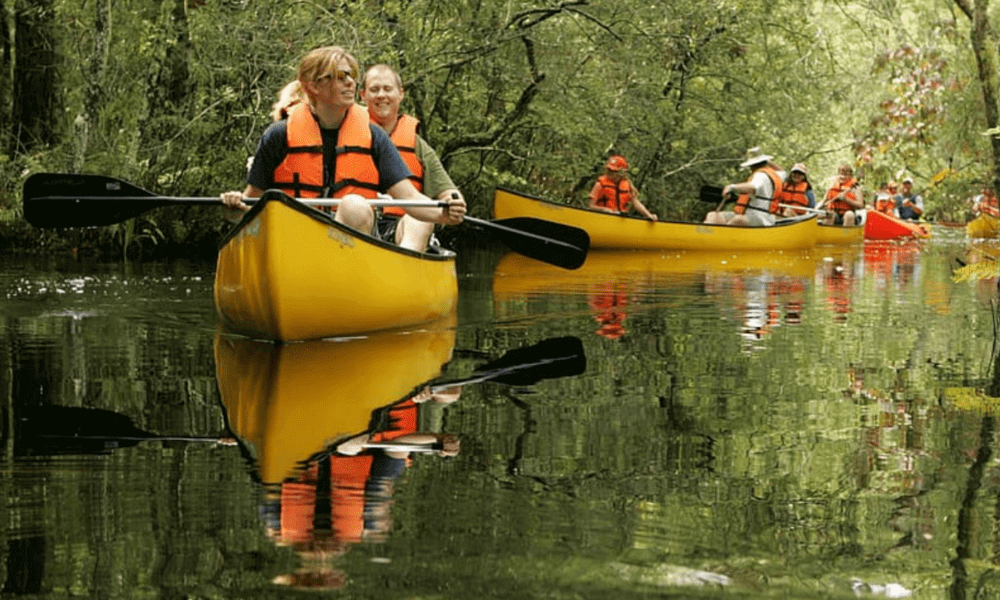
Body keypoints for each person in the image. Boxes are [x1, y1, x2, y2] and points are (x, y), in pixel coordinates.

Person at [220, 46, 465, 252]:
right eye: (338, 77)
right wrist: (234, 207)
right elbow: (249, 204)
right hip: (295, 246)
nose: (349, 82)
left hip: (349, 251)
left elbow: (410, 198)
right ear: (313, 87)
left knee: (354, 204)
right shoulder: (278, 135)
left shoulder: (373, 136)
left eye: (350, 76)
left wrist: (444, 214)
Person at [359, 64, 467, 248]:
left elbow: (448, 191)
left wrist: (452, 201)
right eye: (374, 90)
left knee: (420, 220)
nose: (381, 95)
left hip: (402, 226)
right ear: (362, 96)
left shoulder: (418, 146)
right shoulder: (347, 135)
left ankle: (404, 268)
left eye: (387, 89)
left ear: (400, 94)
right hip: (361, 223)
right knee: (354, 208)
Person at [704, 147, 783, 226]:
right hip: (751, 214)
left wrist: (732, 187)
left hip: (760, 218)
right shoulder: (776, 174)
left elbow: (753, 187)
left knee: (737, 220)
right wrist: (766, 160)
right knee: (712, 216)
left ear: (752, 165)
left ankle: (720, 237)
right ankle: (706, 236)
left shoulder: (760, 175)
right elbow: (782, 171)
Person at [588, 155, 658, 221]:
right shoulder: (599, 185)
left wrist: (649, 215)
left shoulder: (627, 185)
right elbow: (590, 206)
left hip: (620, 221)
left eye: (614, 171)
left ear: (622, 172)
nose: (610, 173)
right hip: (602, 219)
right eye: (609, 170)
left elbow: (635, 202)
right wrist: (604, 210)